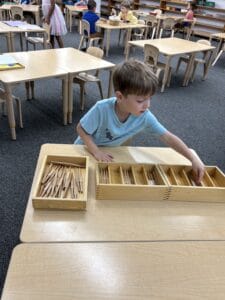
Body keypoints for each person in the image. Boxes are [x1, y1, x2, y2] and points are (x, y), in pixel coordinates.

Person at [74, 59, 205, 184]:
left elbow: (168, 137)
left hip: (109, 153)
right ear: (120, 96)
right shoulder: (101, 108)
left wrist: (193, 158)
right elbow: (81, 129)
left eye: (149, 99)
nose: (147, 105)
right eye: (140, 101)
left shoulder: (144, 116)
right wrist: (96, 152)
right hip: (84, 149)